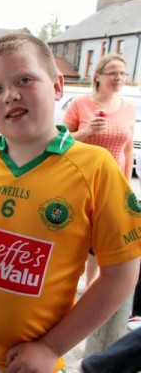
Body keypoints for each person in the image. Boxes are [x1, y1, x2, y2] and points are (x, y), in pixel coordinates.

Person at [0, 33, 141, 373]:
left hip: (30, 361)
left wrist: (50, 347)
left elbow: (122, 274)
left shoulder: (96, 168)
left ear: (57, 86)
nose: (10, 94)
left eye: (24, 80)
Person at [62, 54, 136, 289]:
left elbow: (128, 148)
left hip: (112, 183)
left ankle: (90, 282)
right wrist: (86, 132)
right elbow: (60, 139)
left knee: (100, 235)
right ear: (98, 76)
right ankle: (67, 278)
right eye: (112, 73)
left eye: (122, 73)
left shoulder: (128, 109)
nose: (118, 78)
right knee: (74, 232)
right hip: (80, 178)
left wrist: (126, 184)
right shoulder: (80, 104)